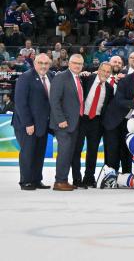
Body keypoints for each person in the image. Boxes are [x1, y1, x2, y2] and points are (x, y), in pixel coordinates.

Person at [102, 58, 134, 174]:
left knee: (128, 151)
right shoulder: (125, 80)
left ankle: (127, 177)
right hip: (115, 120)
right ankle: (110, 177)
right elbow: (119, 100)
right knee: (112, 151)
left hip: (132, 124)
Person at [12, 53, 53, 190]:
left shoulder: (51, 76)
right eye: (40, 63)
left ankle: (36, 180)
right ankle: (26, 181)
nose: (43, 66)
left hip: (42, 124)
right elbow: (20, 103)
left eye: (46, 63)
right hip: (26, 125)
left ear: (50, 64)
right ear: (35, 63)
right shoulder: (26, 77)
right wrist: (28, 123)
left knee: (39, 153)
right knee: (28, 153)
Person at [71, 61, 114, 188]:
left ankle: (89, 178)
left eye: (108, 72)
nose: (105, 74)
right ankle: (76, 179)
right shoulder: (86, 79)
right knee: (77, 150)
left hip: (96, 121)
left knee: (93, 151)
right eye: (103, 71)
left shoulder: (109, 88)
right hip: (82, 119)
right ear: (98, 70)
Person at [49, 54, 86, 191]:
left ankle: (63, 179)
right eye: (75, 63)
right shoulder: (61, 77)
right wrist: (61, 120)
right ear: (69, 63)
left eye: (80, 64)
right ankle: (59, 181)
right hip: (63, 123)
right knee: (64, 152)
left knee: (69, 152)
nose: (77, 65)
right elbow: (54, 100)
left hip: (74, 123)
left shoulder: (78, 78)